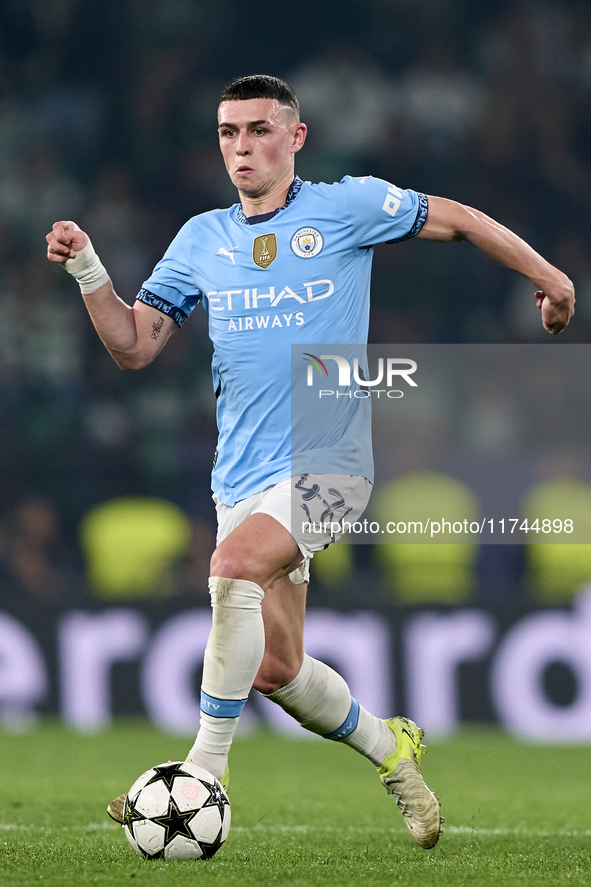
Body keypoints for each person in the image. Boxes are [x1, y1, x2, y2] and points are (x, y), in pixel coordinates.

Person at [46, 74, 574, 851]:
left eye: (258, 130)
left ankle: (203, 771)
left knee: (229, 565)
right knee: (277, 668)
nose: (241, 147)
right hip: (241, 475)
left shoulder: (346, 206)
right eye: (228, 133)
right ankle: (392, 750)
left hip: (332, 466)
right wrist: (89, 268)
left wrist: (549, 278)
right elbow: (133, 346)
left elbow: (456, 219)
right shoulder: (201, 239)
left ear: (295, 137)